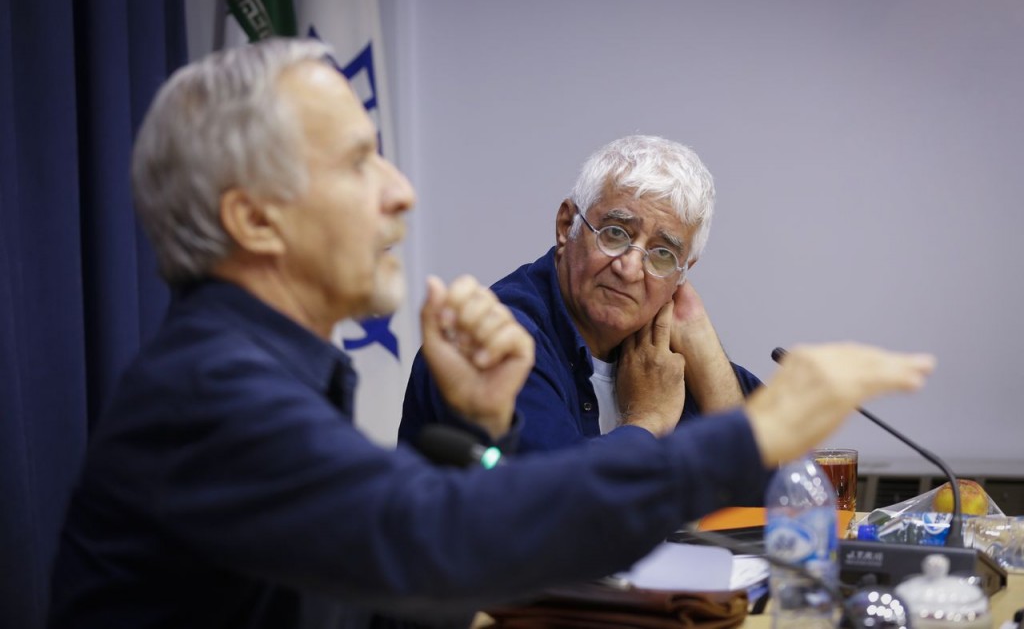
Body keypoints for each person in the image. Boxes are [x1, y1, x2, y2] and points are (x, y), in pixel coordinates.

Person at [48, 38, 935, 629]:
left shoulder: (266, 375)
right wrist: (751, 433)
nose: (401, 190)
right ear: (254, 219)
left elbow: (412, 586)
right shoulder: (214, 396)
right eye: (358, 163)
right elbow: (459, 540)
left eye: (663, 254)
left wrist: (476, 430)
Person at [400, 135, 760, 453]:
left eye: (662, 255)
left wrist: (705, 350)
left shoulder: (664, 349)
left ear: (682, 274)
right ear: (566, 225)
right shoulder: (498, 340)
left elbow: (776, 484)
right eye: (615, 233)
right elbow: (555, 496)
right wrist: (648, 420)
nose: (629, 269)